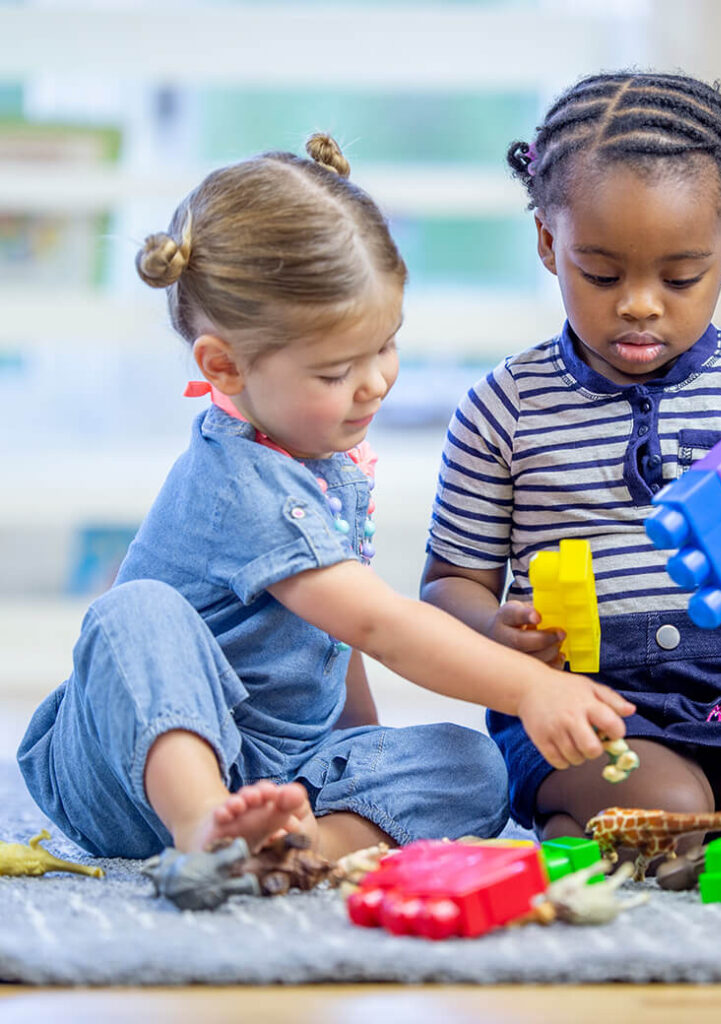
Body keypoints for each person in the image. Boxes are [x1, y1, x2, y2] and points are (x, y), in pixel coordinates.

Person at [17, 133, 633, 862]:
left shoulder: (325, 462)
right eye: (339, 369)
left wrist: (362, 760)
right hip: (128, 770)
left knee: (476, 767)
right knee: (134, 610)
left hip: (274, 770)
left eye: (387, 345)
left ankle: (302, 843)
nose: (375, 382)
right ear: (225, 365)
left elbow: (337, 640)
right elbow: (380, 625)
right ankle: (204, 830)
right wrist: (531, 687)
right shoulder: (237, 480)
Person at [421, 72, 721, 874]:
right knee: (667, 817)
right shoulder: (504, 405)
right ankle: (595, 812)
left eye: (678, 277)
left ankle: (705, 810)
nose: (638, 304)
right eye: (602, 275)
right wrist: (497, 634)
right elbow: (449, 586)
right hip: (584, 705)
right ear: (547, 243)